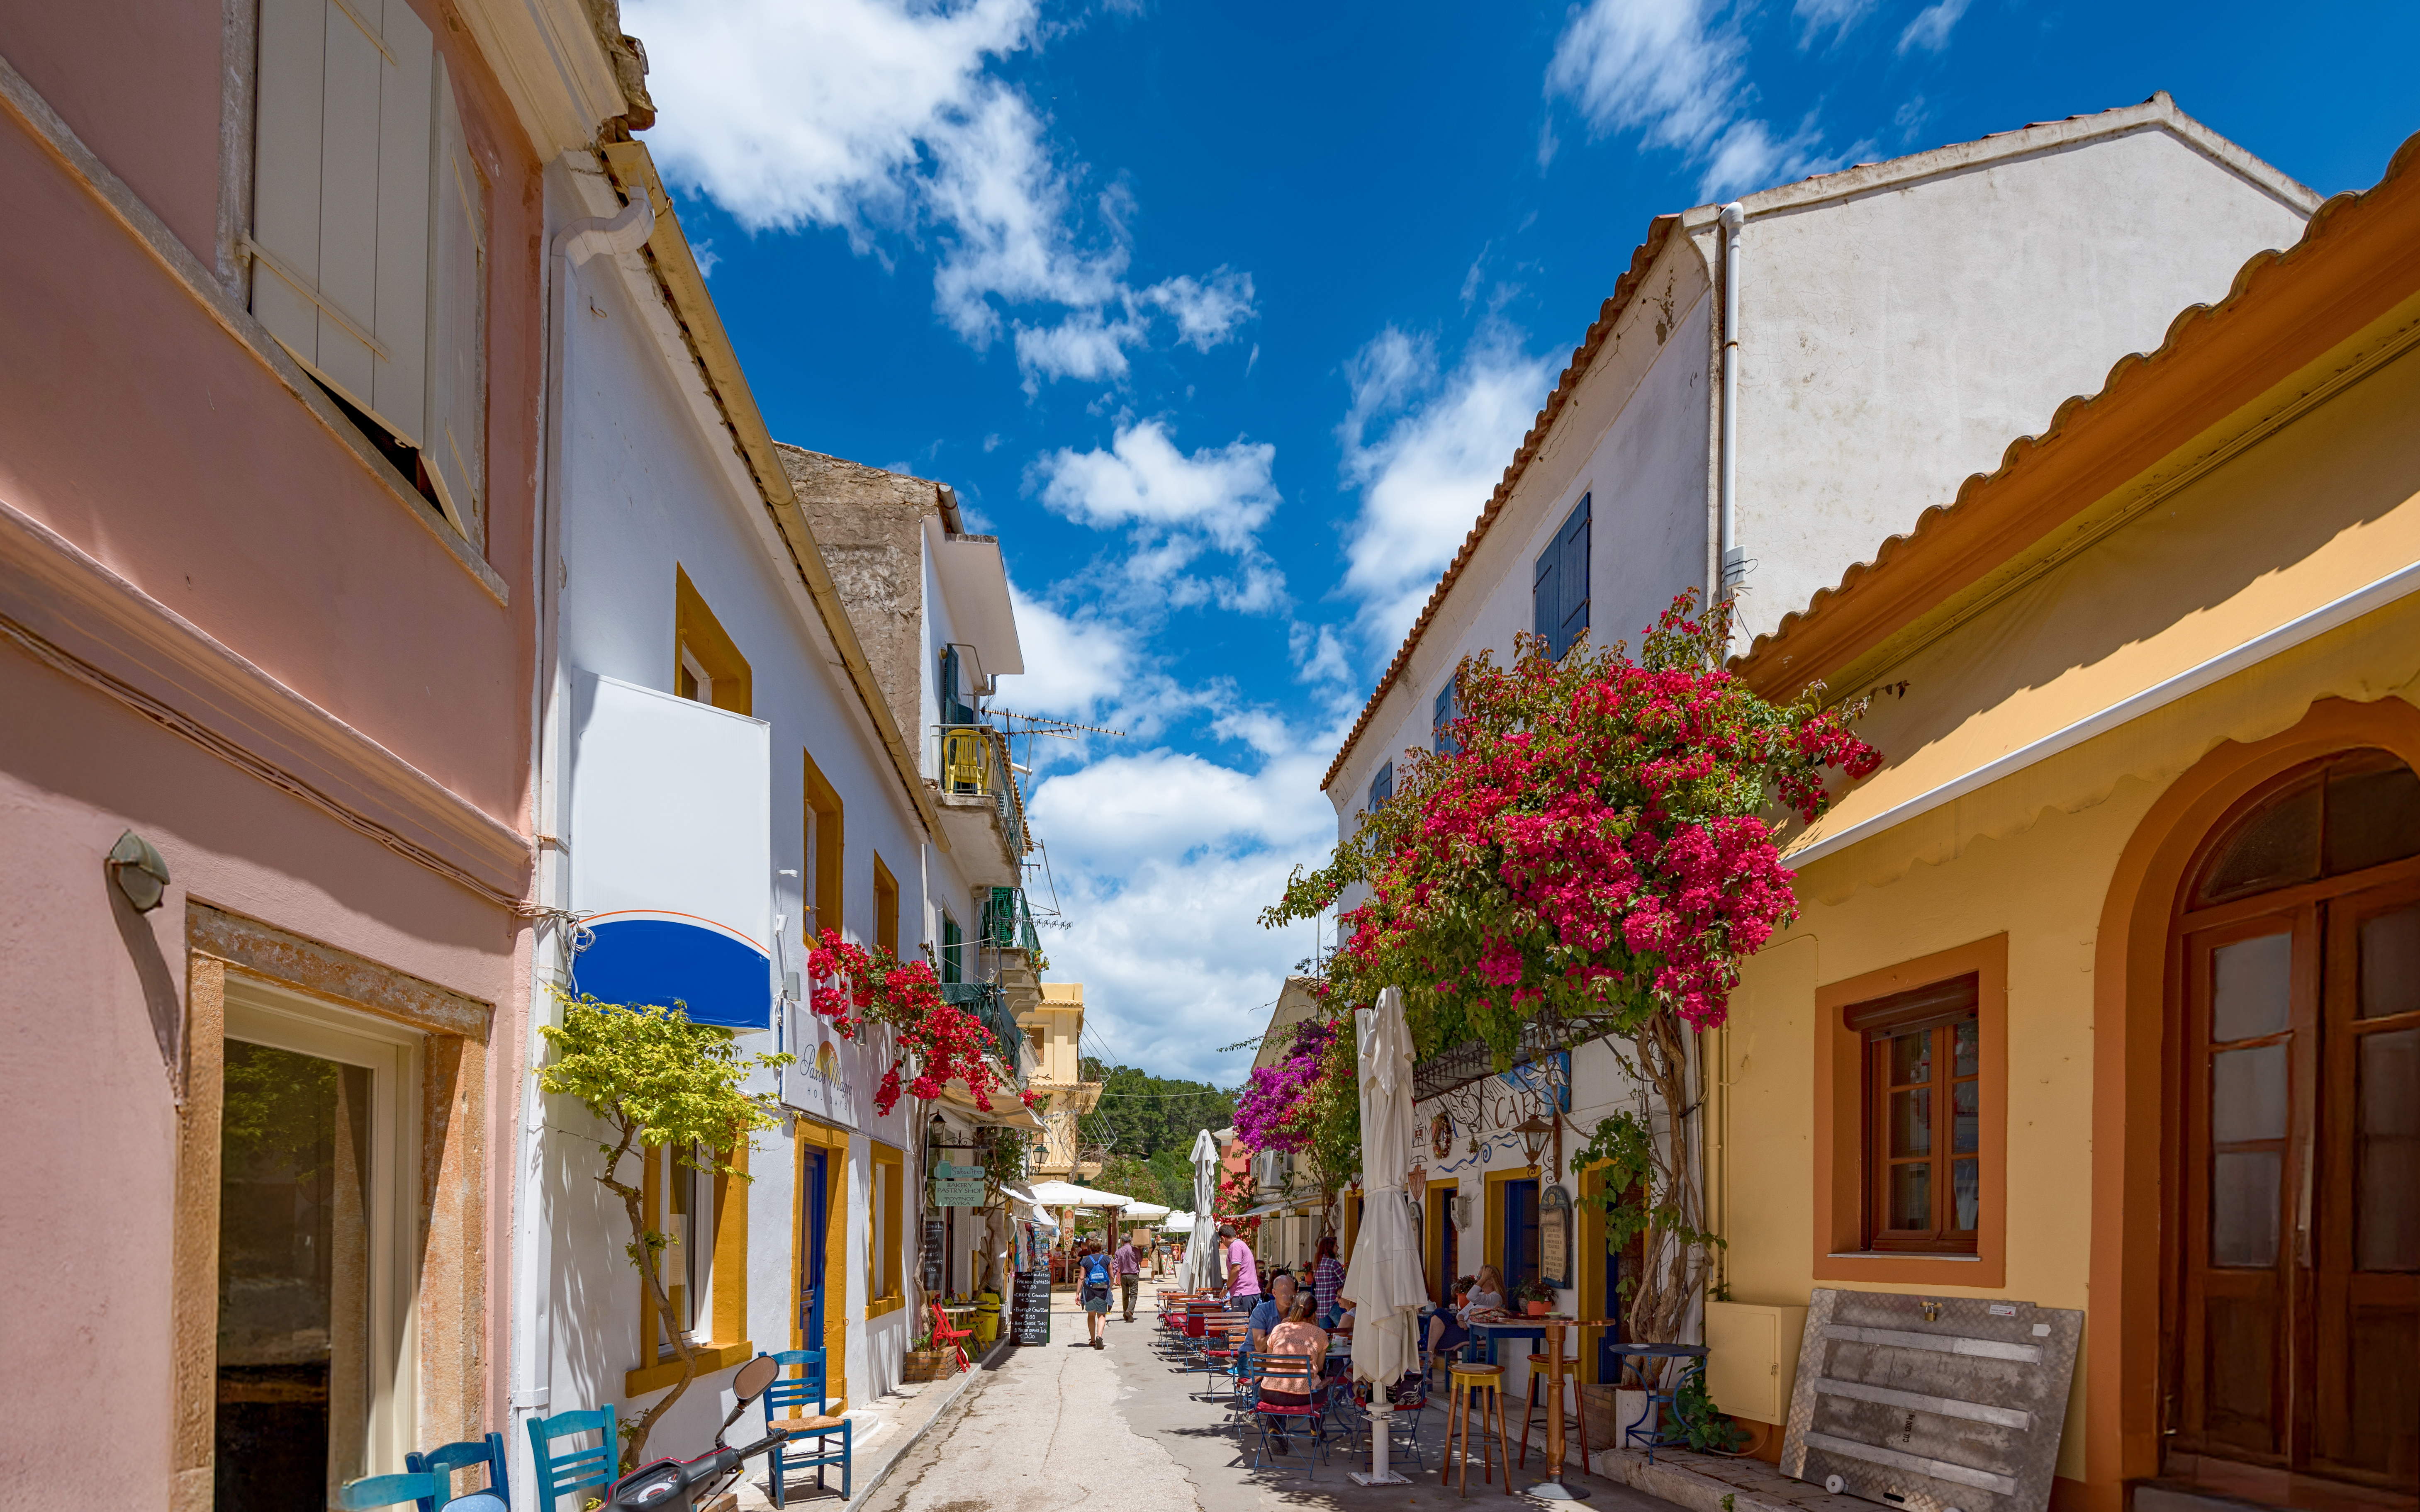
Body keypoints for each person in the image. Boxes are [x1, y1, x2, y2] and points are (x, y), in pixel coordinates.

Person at [1253, 1292, 1329, 1456]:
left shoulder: (1278, 1329)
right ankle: (1316, 1430)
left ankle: (1275, 1431)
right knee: (1322, 1383)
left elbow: (1270, 1361)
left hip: (1270, 1395)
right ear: (1315, 1313)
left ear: (1293, 1309)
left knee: (1276, 1382)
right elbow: (1320, 1366)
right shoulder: (1320, 1334)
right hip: (1303, 1397)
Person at [1425, 1264, 1505, 1378]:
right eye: (1478, 1276)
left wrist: (1483, 1280)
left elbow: (1471, 1296)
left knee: (1428, 1332)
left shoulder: (1495, 1297)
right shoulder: (1481, 1295)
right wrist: (1460, 1321)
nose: (1478, 1279)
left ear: (1491, 1281)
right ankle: (1429, 1353)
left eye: (1481, 1277)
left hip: (1473, 1333)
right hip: (1463, 1328)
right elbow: (1461, 1313)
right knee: (1439, 1314)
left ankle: (1427, 1356)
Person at [1247, 1270, 1299, 1355]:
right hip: (1252, 1356)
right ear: (1274, 1293)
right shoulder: (1261, 1311)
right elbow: (1260, 1348)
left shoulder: (1297, 1311)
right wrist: (1279, 1329)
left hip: (1278, 1356)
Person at [1079, 1240, 1114, 1349]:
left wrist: (1077, 1293)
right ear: (1100, 1248)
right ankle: (1100, 1336)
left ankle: (1093, 1340)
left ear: (1090, 1248)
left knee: (1091, 1315)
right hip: (1103, 1291)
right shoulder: (1107, 1259)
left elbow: (1081, 1278)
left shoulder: (1085, 1260)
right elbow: (1112, 1276)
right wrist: (1110, 1286)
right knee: (1102, 1315)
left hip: (1089, 1291)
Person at [1309, 1235, 1347, 1328]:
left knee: (1325, 1335)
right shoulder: (1334, 1263)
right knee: (1344, 1330)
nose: (1338, 1248)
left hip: (1321, 1305)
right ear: (1330, 1248)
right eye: (1336, 1246)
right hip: (1333, 1303)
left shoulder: (1317, 1264)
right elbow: (1345, 1282)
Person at [1219, 1223, 1261, 1306]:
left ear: (1224, 1239)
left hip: (1242, 1294)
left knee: (1240, 1319)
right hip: (1250, 1293)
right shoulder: (1242, 1244)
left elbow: (1236, 1269)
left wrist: (1226, 1288)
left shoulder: (1235, 1246)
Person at [1113, 1229, 1144, 1322]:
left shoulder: (1119, 1252)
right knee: (1134, 1295)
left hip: (1123, 1276)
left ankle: (1125, 1315)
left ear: (1122, 1241)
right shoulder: (1135, 1250)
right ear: (1131, 1240)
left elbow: (1115, 1266)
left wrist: (1113, 1277)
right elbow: (1141, 1260)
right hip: (1133, 1275)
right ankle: (1130, 1311)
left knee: (1125, 1296)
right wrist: (1141, 1249)